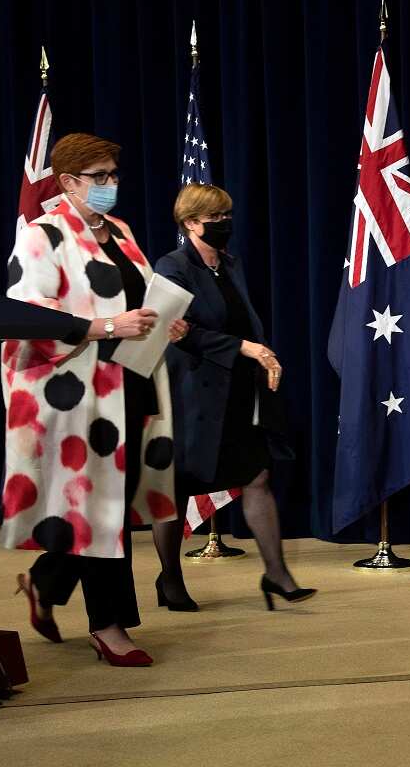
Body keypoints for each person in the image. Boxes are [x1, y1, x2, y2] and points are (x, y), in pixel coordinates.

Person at [3, 133, 188, 667]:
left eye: (113, 175)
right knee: (101, 505)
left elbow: (142, 297)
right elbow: (29, 317)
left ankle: (45, 582)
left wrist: (163, 321)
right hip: (76, 396)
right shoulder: (43, 237)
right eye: (99, 177)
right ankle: (110, 628)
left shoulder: (122, 232)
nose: (111, 186)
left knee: (109, 503)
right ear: (67, 183)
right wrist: (110, 324)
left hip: (130, 382)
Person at [150, 183, 315, 611]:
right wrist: (246, 349)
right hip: (191, 395)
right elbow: (180, 333)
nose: (224, 224)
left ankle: (276, 574)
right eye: (215, 218)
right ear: (190, 223)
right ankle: (170, 579)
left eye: (227, 216)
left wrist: (263, 356)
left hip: (238, 390)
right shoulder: (172, 267)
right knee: (179, 487)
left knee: (257, 475)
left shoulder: (230, 264)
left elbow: (244, 322)